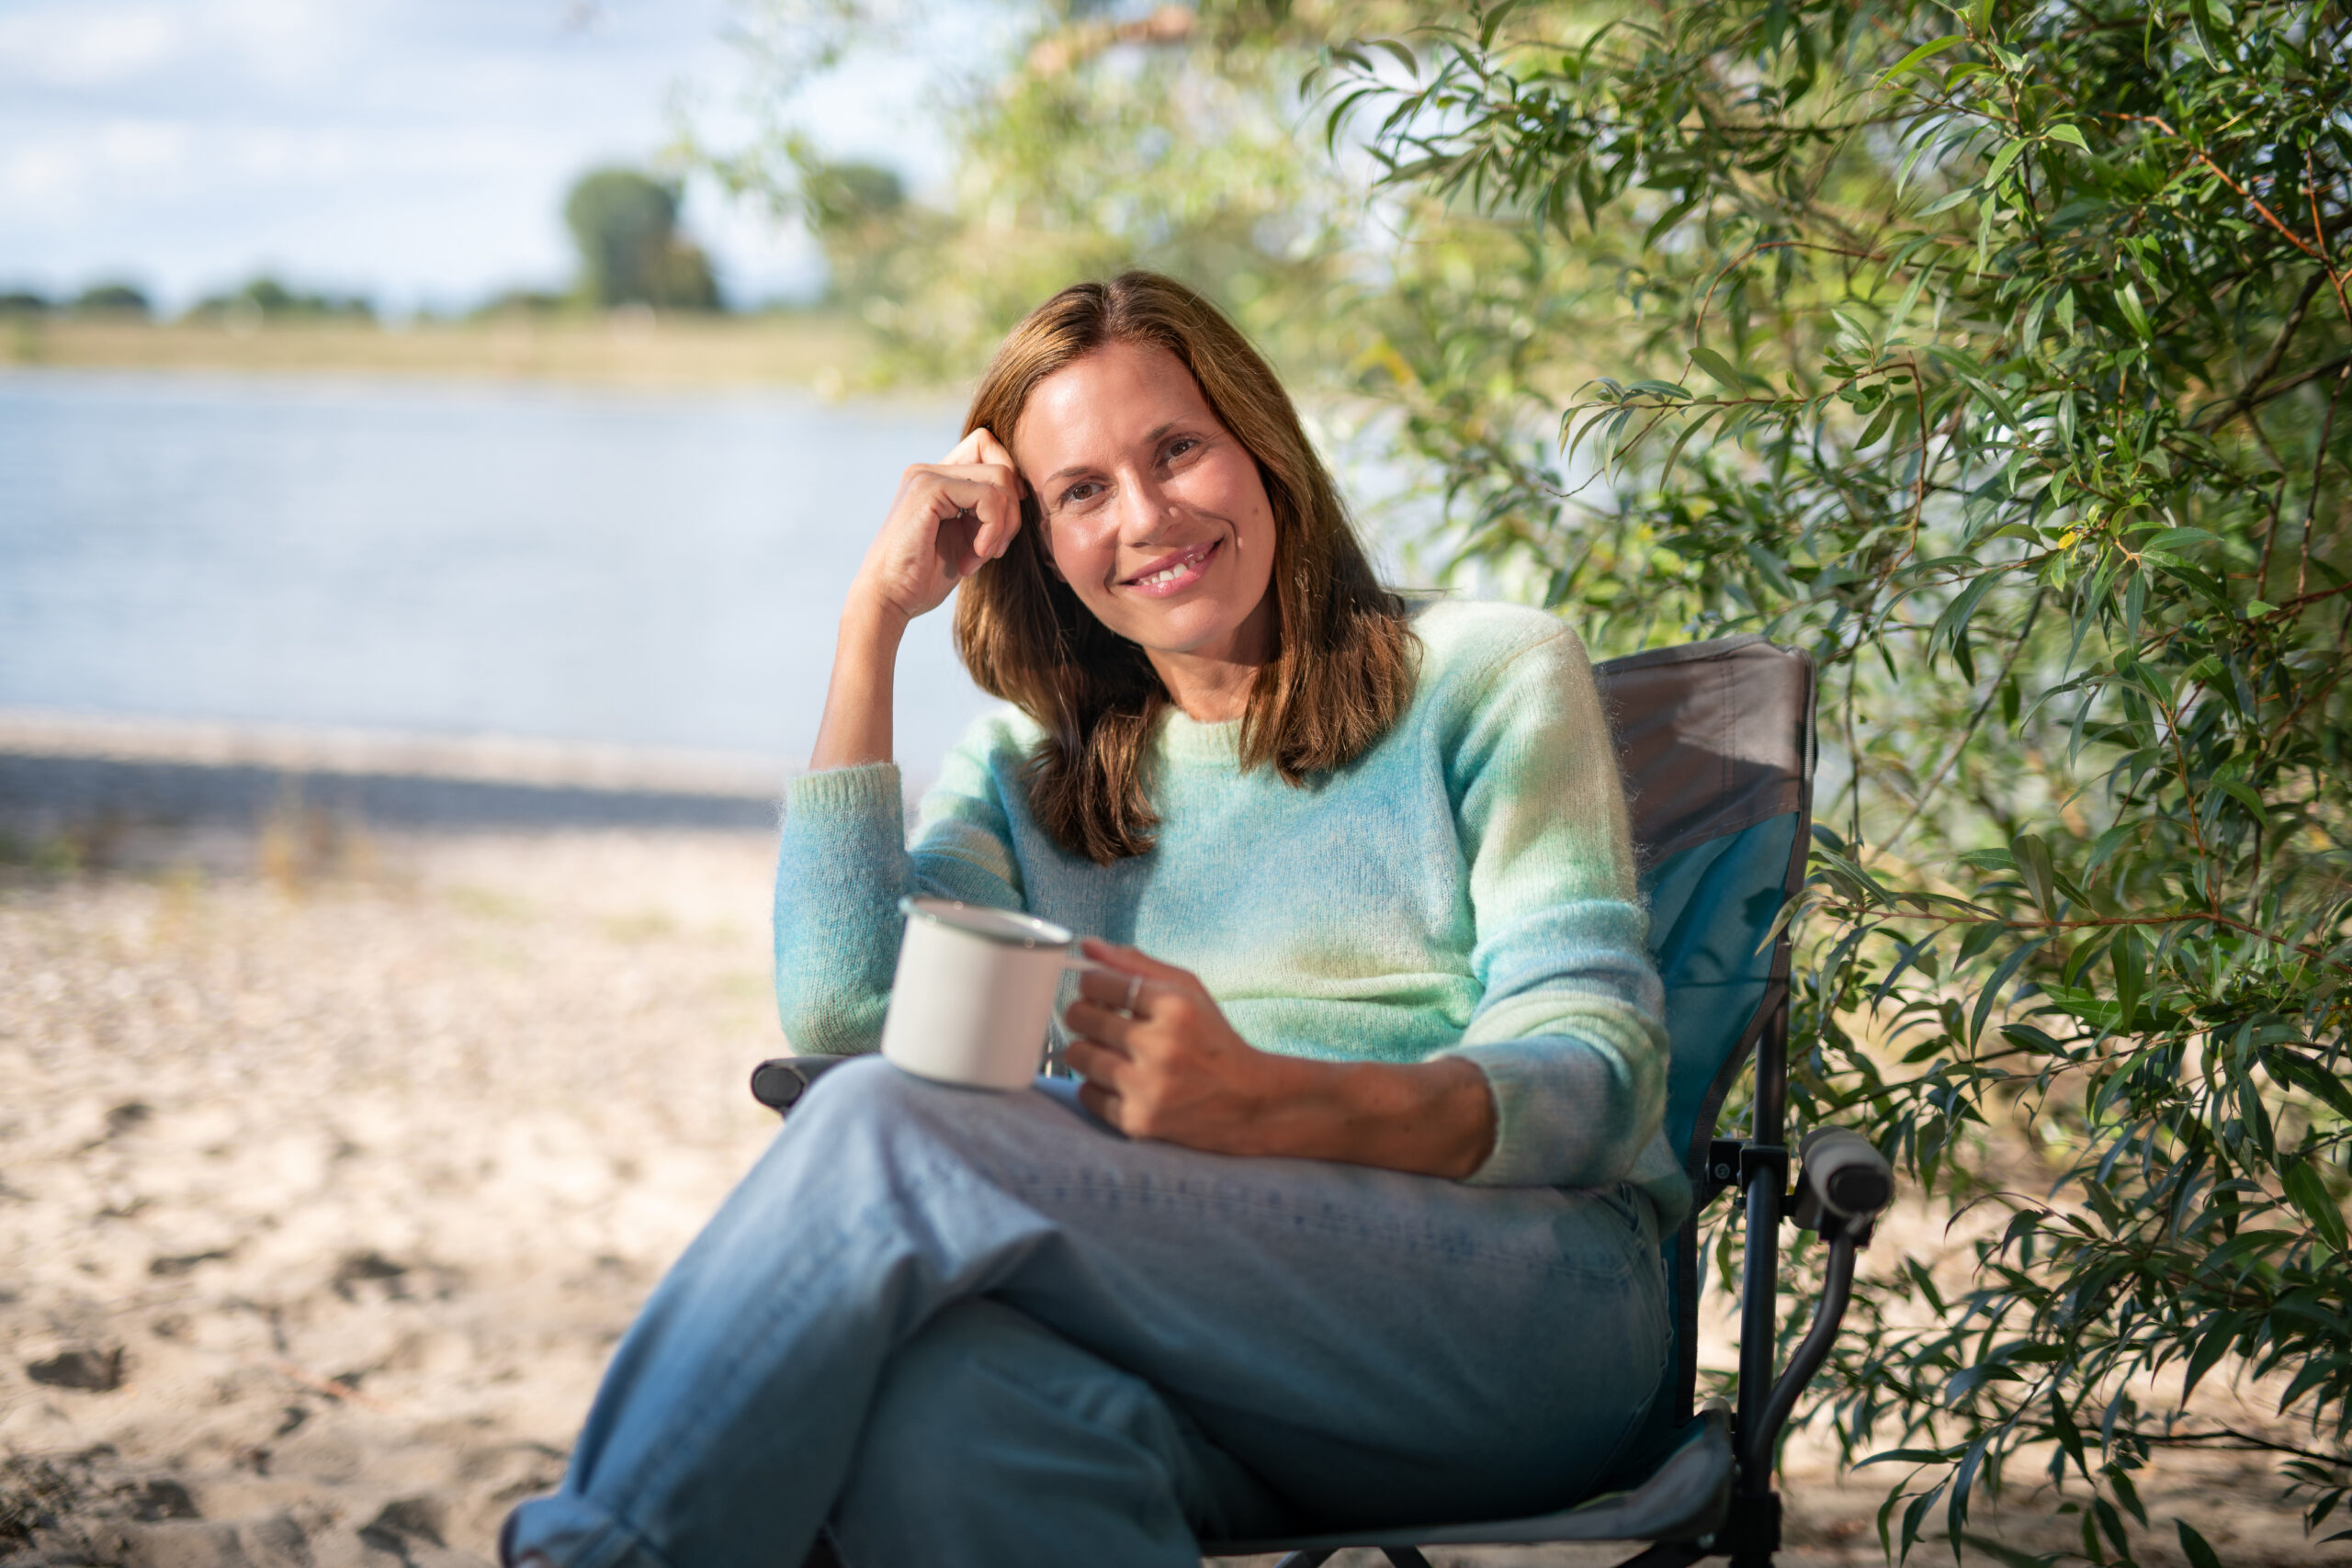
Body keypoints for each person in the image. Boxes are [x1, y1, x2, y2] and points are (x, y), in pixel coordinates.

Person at [502, 272, 1688, 1568]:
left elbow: (1598, 1080)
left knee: (891, 1130)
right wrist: (869, 627)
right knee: (938, 1414)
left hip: (1521, 1318)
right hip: (1209, 1352)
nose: (1148, 517)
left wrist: (1268, 1100)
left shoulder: (1489, 674)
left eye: (1177, 449)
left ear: (1262, 446)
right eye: (1082, 492)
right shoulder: (1035, 764)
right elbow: (850, 1010)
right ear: (1043, 543)